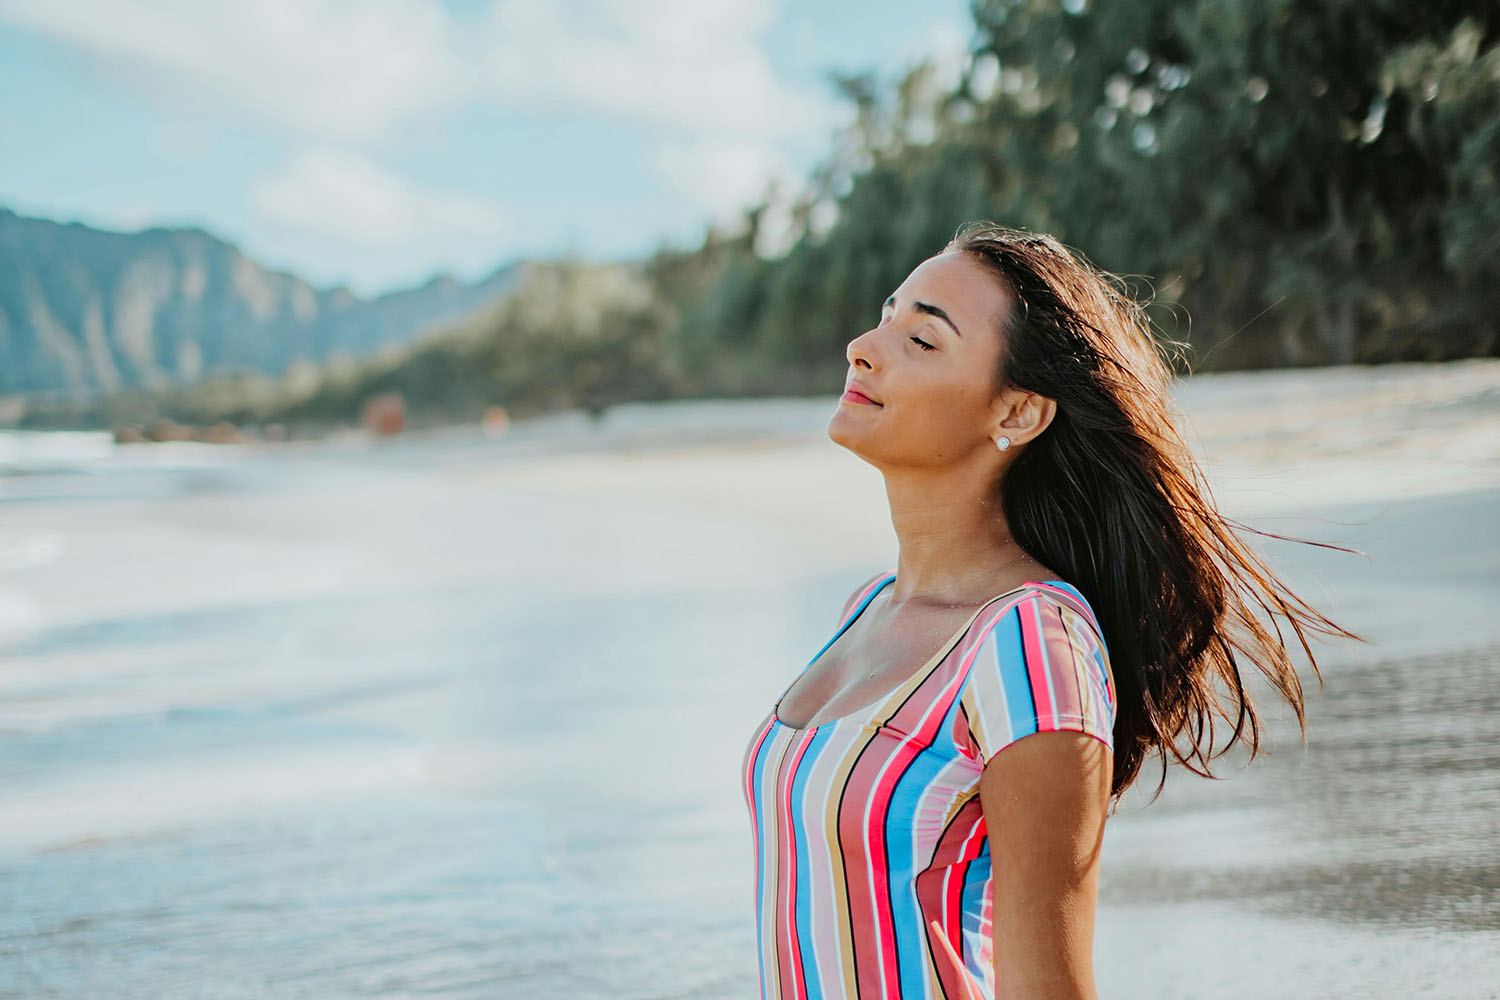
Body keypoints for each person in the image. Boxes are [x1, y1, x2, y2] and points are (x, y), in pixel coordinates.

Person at [740, 221, 1361, 999]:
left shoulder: (1031, 642)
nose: (864, 345)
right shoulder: (867, 608)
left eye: (923, 340)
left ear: (1019, 414)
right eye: (888, 313)